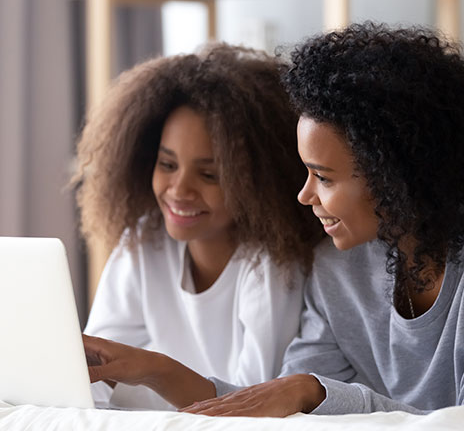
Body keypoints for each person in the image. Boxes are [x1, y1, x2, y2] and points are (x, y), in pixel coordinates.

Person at [177, 22, 464, 415]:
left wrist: (316, 393)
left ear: (395, 175)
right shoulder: (337, 269)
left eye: (324, 177)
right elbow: (281, 405)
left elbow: (309, 394)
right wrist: (151, 370)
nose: (304, 194)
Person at [75, 43, 324, 410]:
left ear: (257, 180)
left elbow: (253, 402)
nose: (179, 191)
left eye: (209, 174)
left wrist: (153, 372)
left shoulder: (272, 263)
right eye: (167, 164)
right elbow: (93, 381)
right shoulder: (146, 240)